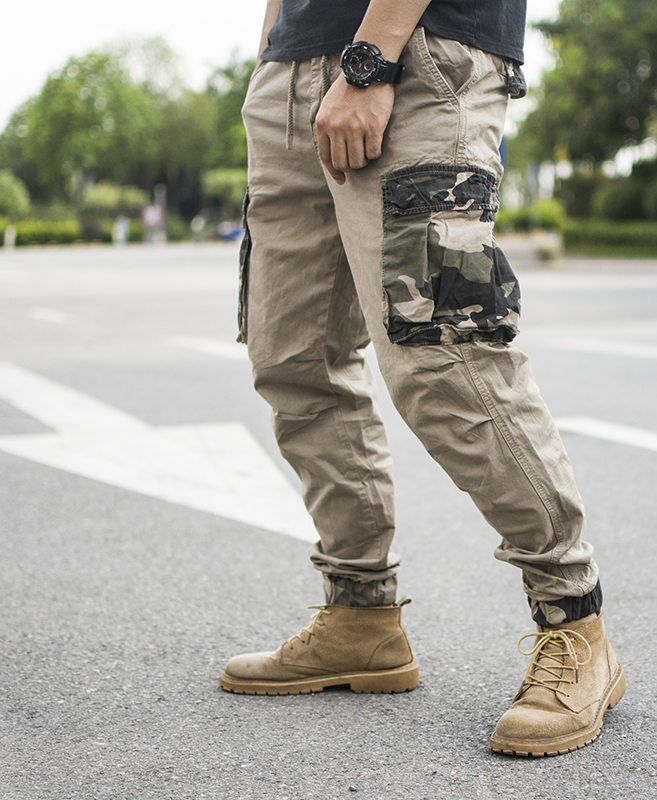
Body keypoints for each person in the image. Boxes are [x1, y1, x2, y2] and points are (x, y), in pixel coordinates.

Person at [219, 0, 625, 757]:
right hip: (292, 76)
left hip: (418, 60)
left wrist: (369, 60)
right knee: (295, 361)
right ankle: (360, 617)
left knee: (445, 357)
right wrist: (275, 49)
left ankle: (575, 618)